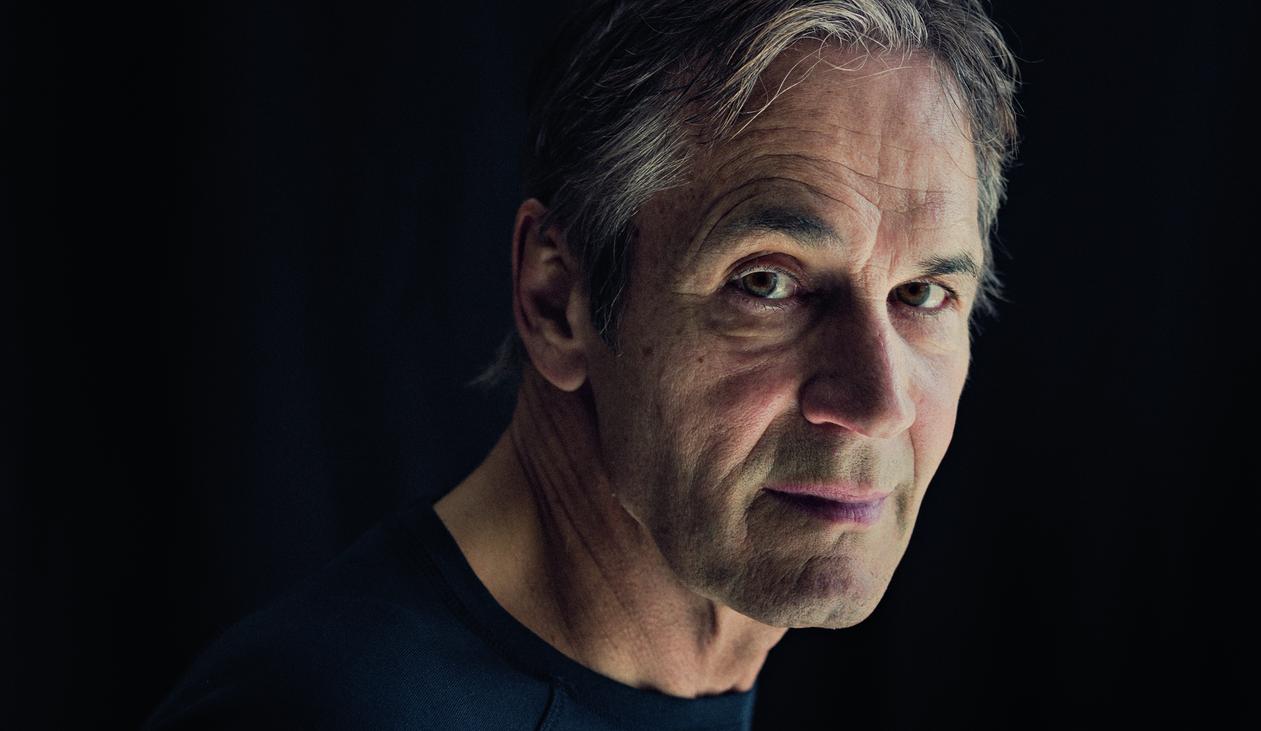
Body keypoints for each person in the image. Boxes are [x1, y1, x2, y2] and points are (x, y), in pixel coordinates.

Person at [147, 0, 1018, 728]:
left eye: (923, 294)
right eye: (767, 282)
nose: (878, 401)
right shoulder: (323, 712)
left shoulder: (689, 674)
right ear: (556, 300)